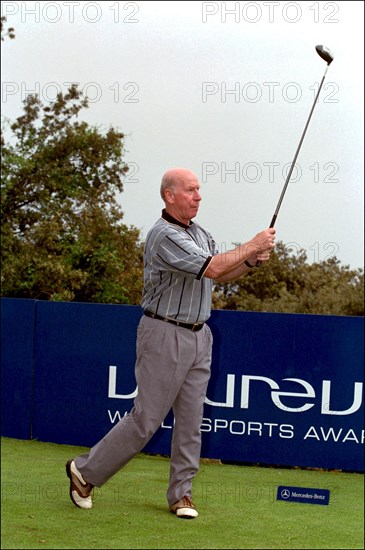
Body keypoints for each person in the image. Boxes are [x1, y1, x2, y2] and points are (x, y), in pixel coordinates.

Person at [66, 167, 276, 519]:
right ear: (170, 195)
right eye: (192, 190)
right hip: (164, 332)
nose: (199, 196)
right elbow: (211, 267)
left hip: (199, 335)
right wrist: (252, 244)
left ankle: (181, 495)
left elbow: (222, 273)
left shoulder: (200, 233)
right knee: (145, 420)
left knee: (191, 420)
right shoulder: (162, 235)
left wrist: (251, 261)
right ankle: (84, 472)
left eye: (199, 190)